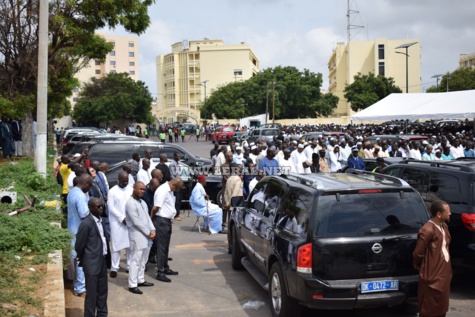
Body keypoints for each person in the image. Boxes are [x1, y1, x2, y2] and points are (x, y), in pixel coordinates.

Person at [413, 200, 452, 317]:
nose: (450, 213)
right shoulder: (428, 230)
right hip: (432, 278)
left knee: (441, 309)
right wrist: (425, 268)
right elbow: (417, 254)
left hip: (444, 275)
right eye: (447, 211)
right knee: (429, 309)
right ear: (439, 214)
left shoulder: (444, 226)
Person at [75, 197, 110, 316]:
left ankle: (102, 314)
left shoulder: (101, 221)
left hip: (102, 261)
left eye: (102, 206)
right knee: (91, 294)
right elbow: (79, 245)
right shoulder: (86, 224)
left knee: (103, 292)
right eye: (98, 206)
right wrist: (86, 259)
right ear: (90, 208)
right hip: (91, 263)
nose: (101, 208)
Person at [125, 182, 156, 295]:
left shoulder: (143, 202)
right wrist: (149, 232)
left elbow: (147, 218)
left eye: (144, 189)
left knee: (143, 260)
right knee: (136, 260)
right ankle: (132, 284)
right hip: (137, 235)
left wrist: (153, 230)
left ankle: (140, 279)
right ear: (134, 188)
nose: (142, 191)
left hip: (146, 236)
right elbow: (136, 222)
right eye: (140, 189)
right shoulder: (130, 203)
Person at [151, 177, 184, 282]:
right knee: (161, 248)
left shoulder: (169, 190)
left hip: (166, 221)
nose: (177, 191)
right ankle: (160, 272)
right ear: (173, 185)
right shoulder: (163, 190)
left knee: (165, 247)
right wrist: (151, 220)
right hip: (161, 221)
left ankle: (165, 267)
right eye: (177, 189)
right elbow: (155, 208)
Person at [67, 174, 94, 297]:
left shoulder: (72, 192)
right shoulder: (80, 196)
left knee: (76, 258)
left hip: (73, 229)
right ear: (86, 184)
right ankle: (81, 288)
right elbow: (84, 214)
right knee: (80, 260)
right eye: (90, 185)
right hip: (79, 231)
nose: (90, 188)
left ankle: (78, 284)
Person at [107, 171, 133, 278]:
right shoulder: (112, 191)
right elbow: (111, 207)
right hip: (116, 222)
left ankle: (129, 266)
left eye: (127, 181)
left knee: (130, 246)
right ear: (118, 179)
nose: (125, 182)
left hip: (130, 221)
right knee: (116, 245)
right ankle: (114, 267)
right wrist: (121, 218)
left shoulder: (131, 189)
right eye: (123, 181)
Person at [169, 152, 183, 220]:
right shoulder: (172, 164)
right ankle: (175, 215)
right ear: (174, 156)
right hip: (175, 184)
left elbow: (179, 173)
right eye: (178, 156)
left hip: (179, 183)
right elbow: (172, 175)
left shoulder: (178, 164)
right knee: (176, 200)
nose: (179, 157)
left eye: (179, 156)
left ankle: (178, 213)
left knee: (179, 199)